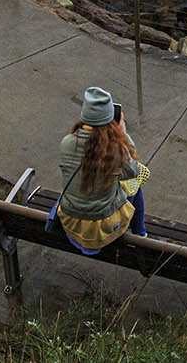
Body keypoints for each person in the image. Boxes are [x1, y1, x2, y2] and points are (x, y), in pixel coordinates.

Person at [54, 86, 149, 253]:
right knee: (136, 184)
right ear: (110, 120)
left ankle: (140, 234)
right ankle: (140, 235)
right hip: (103, 229)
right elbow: (134, 170)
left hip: (70, 222)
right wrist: (123, 135)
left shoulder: (67, 142)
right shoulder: (116, 150)